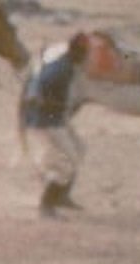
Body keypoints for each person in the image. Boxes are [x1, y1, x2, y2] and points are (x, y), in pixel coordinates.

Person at [23, 32, 88, 217]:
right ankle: (46, 205)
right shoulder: (61, 69)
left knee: (79, 150)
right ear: (76, 52)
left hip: (55, 119)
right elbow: (39, 89)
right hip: (45, 122)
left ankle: (61, 197)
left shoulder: (66, 64)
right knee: (65, 166)